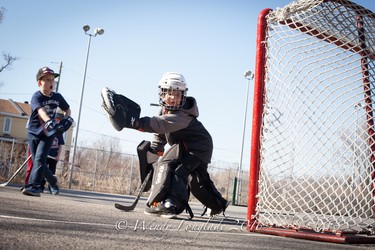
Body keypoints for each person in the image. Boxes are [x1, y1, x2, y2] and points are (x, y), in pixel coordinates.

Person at [101, 72, 228, 218]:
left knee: (176, 169)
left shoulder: (183, 113)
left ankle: (171, 205)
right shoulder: (165, 110)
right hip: (185, 147)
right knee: (197, 182)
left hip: (198, 147)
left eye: (177, 94)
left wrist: (135, 123)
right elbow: (160, 132)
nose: (173, 97)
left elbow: (160, 124)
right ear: (162, 94)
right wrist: (156, 149)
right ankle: (218, 205)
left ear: (183, 95)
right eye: (169, 93)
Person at [22, 67, 73, 197]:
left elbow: (68, 110)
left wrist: (66, 118)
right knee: (38, 161)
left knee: (39, 159)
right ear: (40, 82)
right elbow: (41, 111)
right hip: (34, 132)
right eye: (48, 80)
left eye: (53, 80)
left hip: (48, 133)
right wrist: (48, 120)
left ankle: (35, 187)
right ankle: (52, 180)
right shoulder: (36, 96)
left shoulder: (57, 97)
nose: (51, 83)